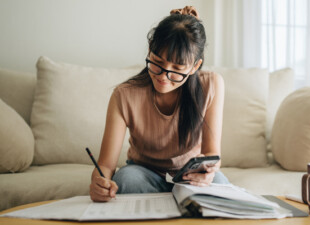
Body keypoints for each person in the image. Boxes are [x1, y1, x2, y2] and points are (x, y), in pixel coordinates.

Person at [89, 6, 229, 202]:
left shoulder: (211, 84)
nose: (164, 76)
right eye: (157, 62)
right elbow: (105, 165)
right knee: (126, 179)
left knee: (221, 186)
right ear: (149, 49)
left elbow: (212, 153)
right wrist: (99, 181)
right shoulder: (124, 95)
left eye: (177, 69)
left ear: (195, 66)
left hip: (190, 176)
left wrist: (208, 172)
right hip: (144, 174)